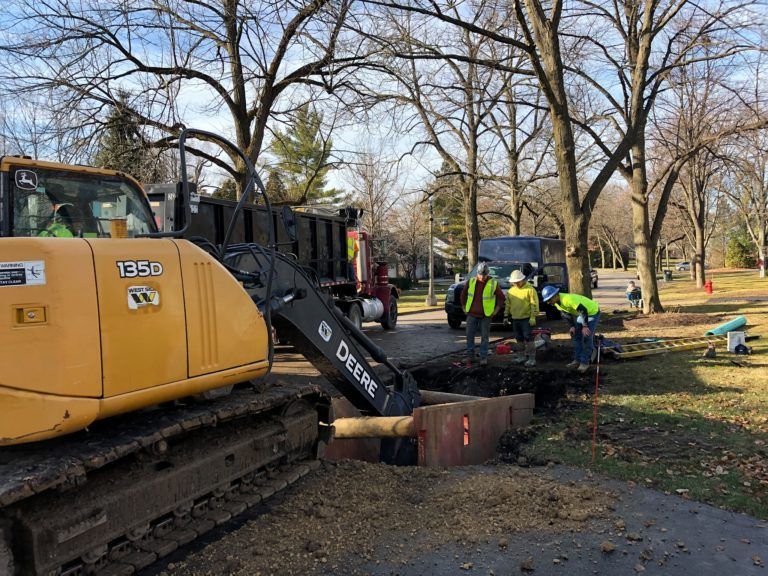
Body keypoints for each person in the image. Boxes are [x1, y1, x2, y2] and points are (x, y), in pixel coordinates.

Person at [541, 286, 600, 374]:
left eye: (549, 300)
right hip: (582, 314)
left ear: (556, 296)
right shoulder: (557, 303)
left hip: (592, 312)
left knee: (586, 336)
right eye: (547, 301)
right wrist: (572, 326)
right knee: (576, 336)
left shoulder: (568, 299)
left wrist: (585, 326)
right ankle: (577, 359)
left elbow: (583, 310)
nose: (549, 302)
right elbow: (566, 314)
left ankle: (585, 362)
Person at [461, 262, 505, 366]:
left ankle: (483, 357)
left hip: (486, 315)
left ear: (487, 274)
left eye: (484, 275)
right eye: (480, 274)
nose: (482, 277)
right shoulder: (471, 282)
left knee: (484, 337)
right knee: (469, 335)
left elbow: (501, 297)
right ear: (477, 273)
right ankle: (470, 356)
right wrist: (463, 306)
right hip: (472, 314)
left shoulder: (493, 283)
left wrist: (496, 309)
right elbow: (463, 294)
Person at [504, 269, 540, 367]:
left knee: (529, 338)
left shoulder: (530, 289)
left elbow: (534, 304)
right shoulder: (511, 291)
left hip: (526, 318)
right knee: (519, 338)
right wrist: (506, 316)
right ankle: (521, 357)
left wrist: (533, 316)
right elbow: (508, 304)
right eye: (514, 282)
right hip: (515, 318)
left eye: (517, 282)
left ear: (522, 280)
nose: (516, 284)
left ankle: (532, 358)